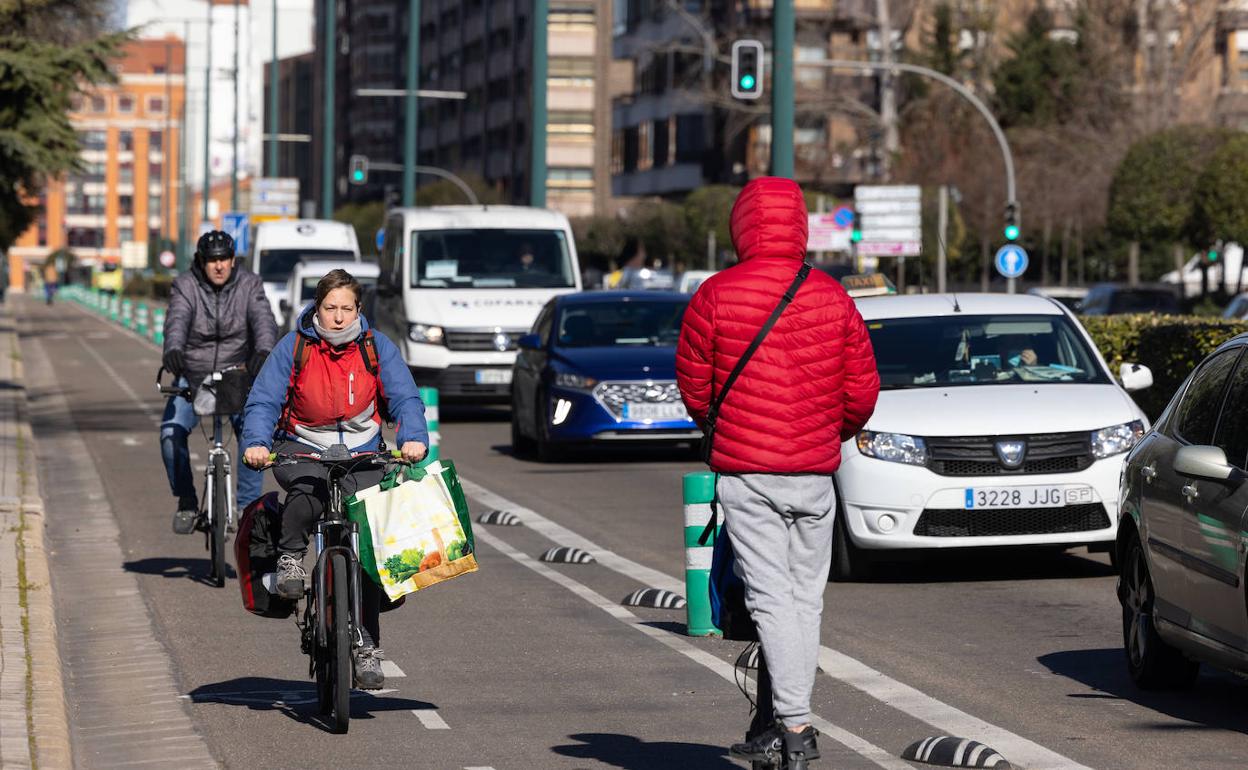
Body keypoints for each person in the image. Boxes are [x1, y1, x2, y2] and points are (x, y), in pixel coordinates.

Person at [676, 177, 880, 768]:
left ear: (741, 225)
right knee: (804, 601)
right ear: (800, 225)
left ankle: (793, 725)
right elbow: (861, 391)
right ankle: (785, 721)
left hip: (747, 474)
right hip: (815, 474)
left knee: (769, 600)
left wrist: (729, 424)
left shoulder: (715, 294)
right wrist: (822, 431)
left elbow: (694, 384)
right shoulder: (831, 296)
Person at [241, 268, 428, 689]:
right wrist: (256, 442)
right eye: (330, 308)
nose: (339, 317)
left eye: (347, 309)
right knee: (307, 495)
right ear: (317, 309)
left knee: (370, 542)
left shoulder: (377, 348)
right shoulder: (295, 347)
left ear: (358, 310)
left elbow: (405, 397)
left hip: (363, 451)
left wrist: (413, 438)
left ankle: (366, 648)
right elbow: (264, 401)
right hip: (302, 446)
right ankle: (291, 559)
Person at [161, 230, 277, 535]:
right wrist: (172, 349)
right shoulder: (186, 285)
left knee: (253, 435)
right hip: (194, 374)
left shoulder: (250, 284)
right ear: (201, 261)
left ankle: (246, 507)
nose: (219, 266)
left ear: (233, 259)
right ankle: (186, 500)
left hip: (238, 373)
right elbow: (176, 319)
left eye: (224, 258)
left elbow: (264, 321)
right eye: (212, 260)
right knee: (170, 433)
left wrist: (263, 351)